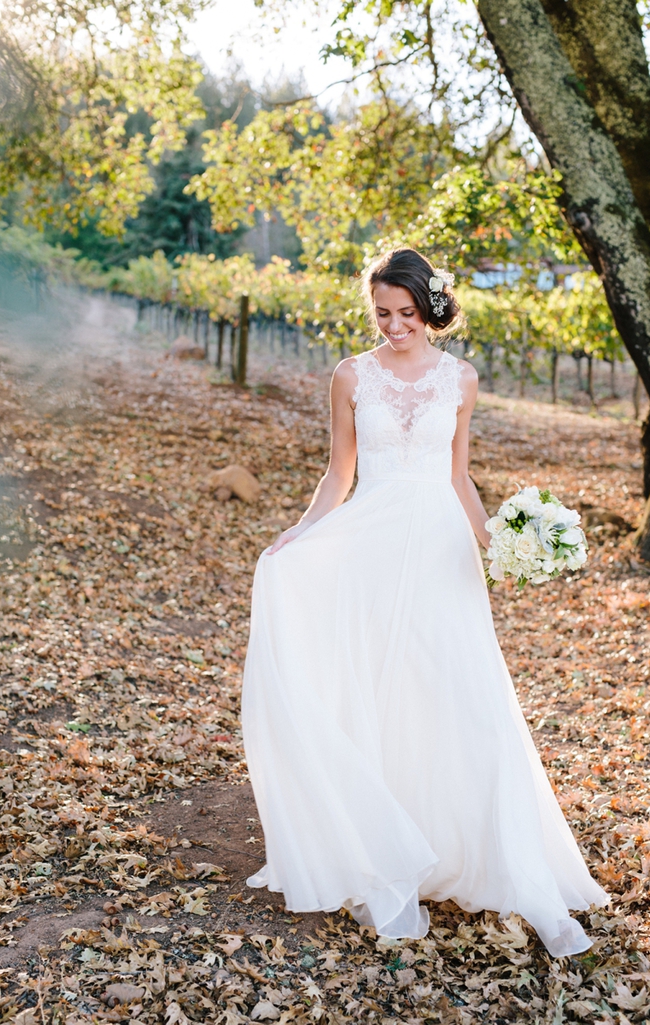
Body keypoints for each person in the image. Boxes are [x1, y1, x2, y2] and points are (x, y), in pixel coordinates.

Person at [241, 247, 607, 957]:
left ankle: (495, 858)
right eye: (381, 313)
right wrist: (301, 529)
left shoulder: (460, 379)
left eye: (405, 313)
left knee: (462, 694)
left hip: (442, 552)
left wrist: (495, 543)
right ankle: (389, 854)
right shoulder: (350, 374)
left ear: (429, 307)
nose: (393, 325)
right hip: (371, 547)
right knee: (383, 691)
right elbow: (338, 472)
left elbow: (459, 474)